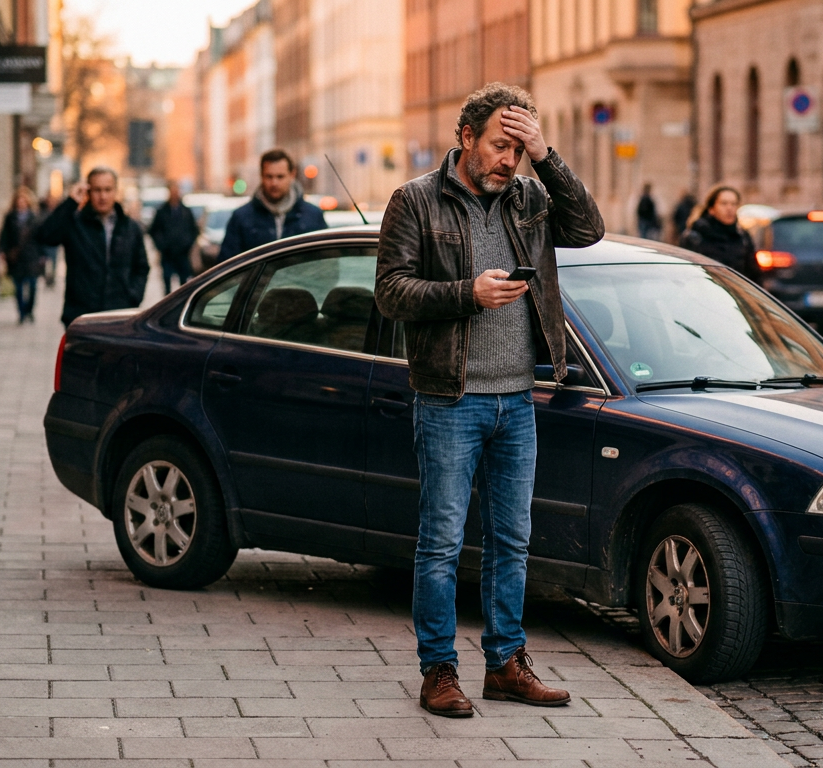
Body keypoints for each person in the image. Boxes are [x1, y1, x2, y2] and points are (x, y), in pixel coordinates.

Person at [376, 82, 604, 719]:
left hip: (517, 401)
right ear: (466, 137)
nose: (509, 160)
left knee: (512, 541)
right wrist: (466, 294)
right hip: (449, 399)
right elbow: (391, 292)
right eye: (500, 146)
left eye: (519, 149)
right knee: (442, 543)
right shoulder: (416, 200)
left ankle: (505, 664)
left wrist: (547, 156)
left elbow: (589, 229)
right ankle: (438, 670)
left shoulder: (529, 197)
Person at [34, 166, 150, 327]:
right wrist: (71, 202)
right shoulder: (75, 224)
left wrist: (133, 296)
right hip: (81, 316)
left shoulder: (130, 227)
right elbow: (45, 236)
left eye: (107, 190)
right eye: (97, 190)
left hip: (120, 314)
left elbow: (141, 266)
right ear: (88, 192)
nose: (103, 196)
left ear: (115, 191)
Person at [218, 149, 327, 263]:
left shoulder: (313, 216)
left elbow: (326, 263)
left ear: (292, 175)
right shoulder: (242, 218)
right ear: (261, 176)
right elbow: (227, 263)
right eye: (269, 177)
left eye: (280, 177)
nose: (274, 183)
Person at [680, 184, 760, 282]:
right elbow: (686, 275)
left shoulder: (743, 237)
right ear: (711, 209)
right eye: (724, 203)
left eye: (734, 204)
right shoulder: (695, 236)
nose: (729, 208)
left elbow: (754, 276)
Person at [0, 187, 45, 323]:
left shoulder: (35, 218)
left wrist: (43, 254)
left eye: (24, 201)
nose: (21, 203)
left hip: (32, 256)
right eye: (19, 201)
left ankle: (30, 310)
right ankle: (21, 312)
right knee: (18, 287)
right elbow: (4, 236)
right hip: (16, 257)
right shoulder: (10, 217)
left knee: (32, 286)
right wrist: (3, 251)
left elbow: (41, 237)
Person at [149, 181, 199, 294]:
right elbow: (153, 230)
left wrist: (187, 243)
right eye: (172, 191)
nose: (175, 194)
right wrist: (161, 245)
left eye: (176, 191)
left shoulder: (185, 211)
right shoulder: (162, 211)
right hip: (167, 254)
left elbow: (194, 230)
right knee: (167, 282)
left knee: (184, 284)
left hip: (182, 253)